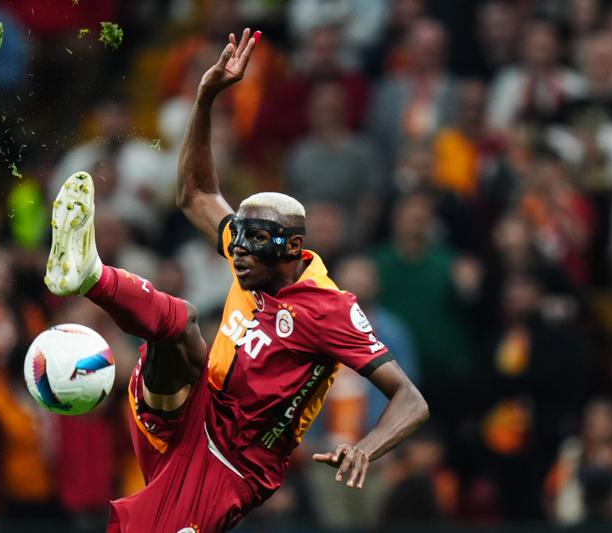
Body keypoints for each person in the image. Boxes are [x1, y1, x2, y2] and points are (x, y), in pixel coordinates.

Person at [43, 28, 429, 532]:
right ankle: (90, 274)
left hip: (232, 465)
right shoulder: (252, 255)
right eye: (237, 240)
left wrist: (366, 448)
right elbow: (195, 194)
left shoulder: (330, 308)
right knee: (180, 322)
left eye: (253, 242)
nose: (238, 253)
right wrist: (205, 97)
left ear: (291, 248)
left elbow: (411, 400)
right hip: (188, 411)